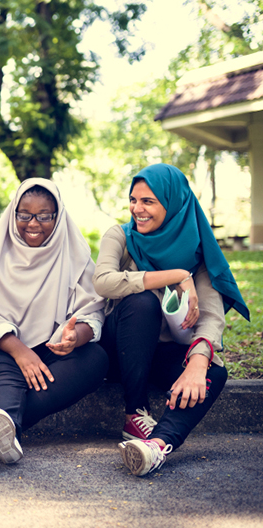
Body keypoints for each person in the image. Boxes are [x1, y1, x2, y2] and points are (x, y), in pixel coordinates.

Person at [93, 163, 249, 477]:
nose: (137, 209)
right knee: (142, 303)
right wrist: (175, 276)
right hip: (119, 350)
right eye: (133, 200)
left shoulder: (197, 249)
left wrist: (198, 360)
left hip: (159, 356)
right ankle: (134, 413)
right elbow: (104, 281)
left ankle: (157, 446)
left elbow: (211, 317)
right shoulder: (121, 237)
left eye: (148, 201)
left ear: (173, 203)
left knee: (214, 373)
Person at [0, 178, 108, 464]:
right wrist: (20, 352)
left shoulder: (74, 255)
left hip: (48, 346)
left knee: (95, 359)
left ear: (58, 217)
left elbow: (91, 309)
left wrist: (74, 337)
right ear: (12, 214)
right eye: (24, 215)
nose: (33, 224)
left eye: (44, 216)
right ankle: (4, 428)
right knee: (7, 374)